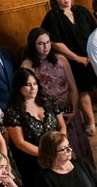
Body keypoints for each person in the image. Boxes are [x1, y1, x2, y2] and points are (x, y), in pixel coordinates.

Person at [21, 27, 90, 158]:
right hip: (48, 115)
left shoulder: (61, 59)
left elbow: (72, 87)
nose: (45, 47)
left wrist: (75, 109)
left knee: (78, 147)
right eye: (40, 44)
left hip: (68, 109)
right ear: (33, 45)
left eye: (47, 42)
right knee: (59, 150)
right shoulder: (27, 65)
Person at [41, 0, 97, 131]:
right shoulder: (52, 17)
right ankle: (90, 122)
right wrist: (77, 58)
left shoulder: (81, 11)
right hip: (72, 61)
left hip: (92, 56)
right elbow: (56, 43)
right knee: (83, 91)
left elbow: (96, 32)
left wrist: (95, 54)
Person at [3, 66, 66, 187]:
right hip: (34, 161)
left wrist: (61, 146)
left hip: (59, 153)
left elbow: (62, 127)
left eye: (35, 84)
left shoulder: (49, 102)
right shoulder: (13, 111)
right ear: (19, 88)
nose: (33, 88)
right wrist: (47, 154)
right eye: (27, 85)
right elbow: (19, 142)